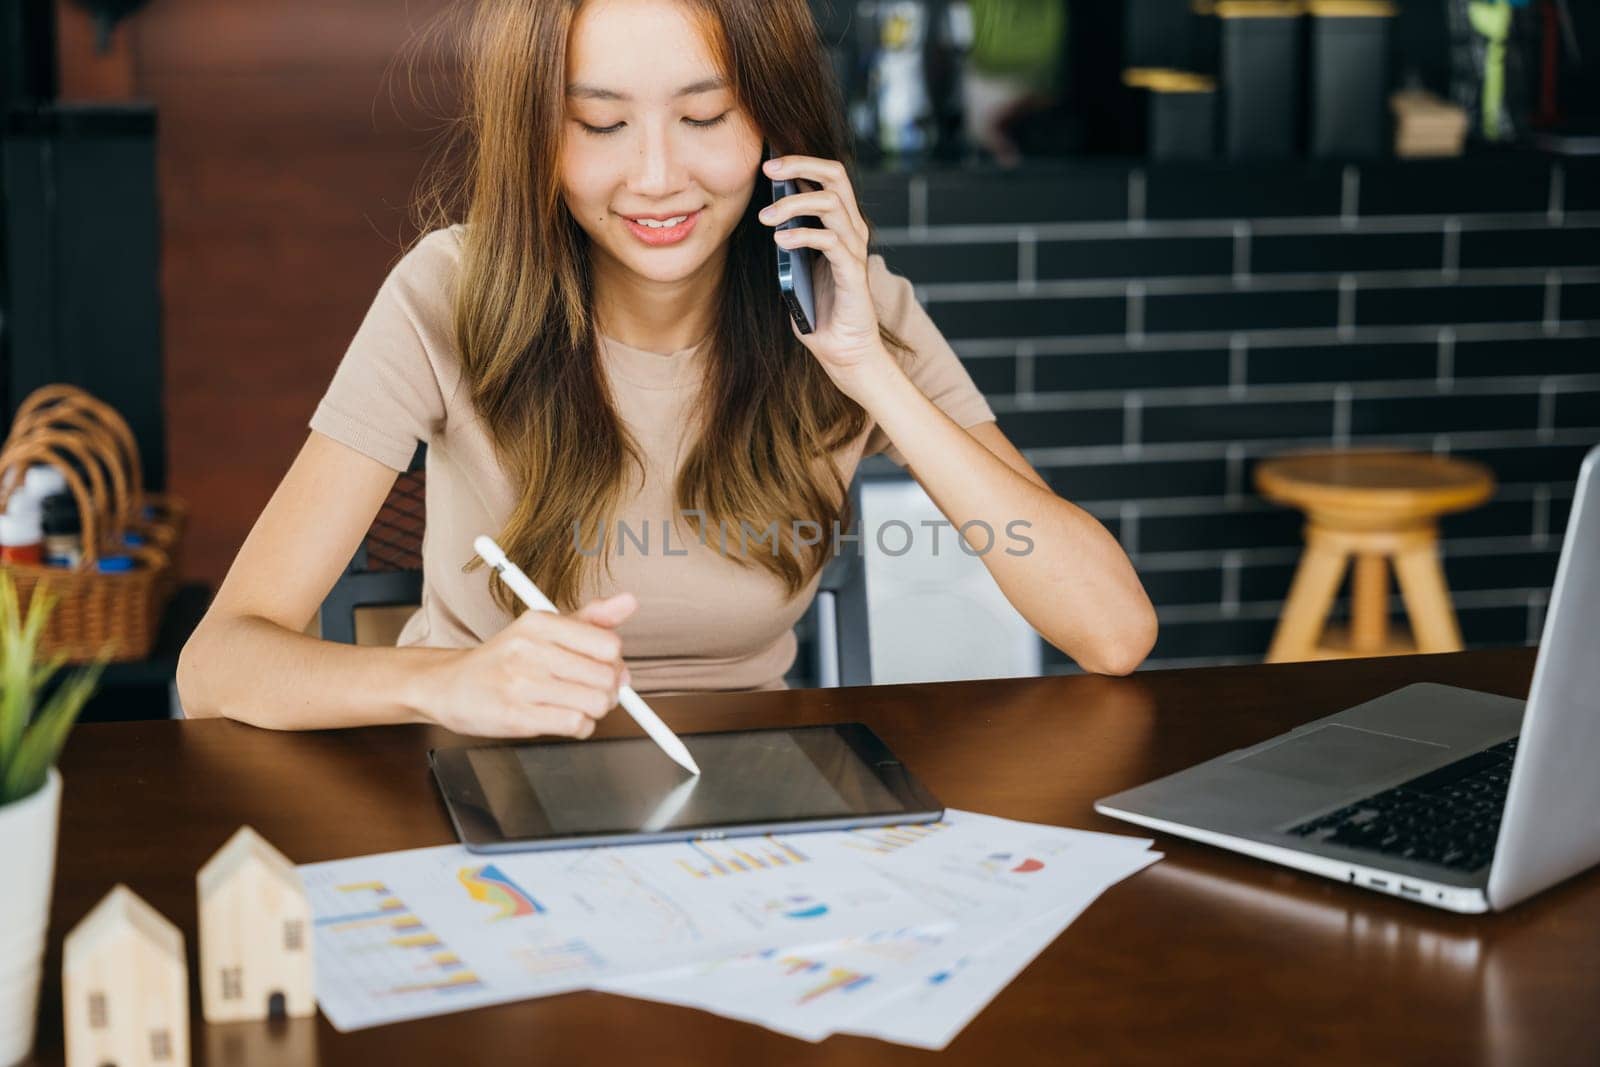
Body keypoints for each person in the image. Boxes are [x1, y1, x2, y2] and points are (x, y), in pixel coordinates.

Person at [176, 0, 1156, 737]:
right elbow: (216, 664)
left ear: (775, 127)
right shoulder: (448, 292)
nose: (655, 175)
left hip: (743, 801)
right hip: (478, 788)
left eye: (706, 115)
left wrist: (871, 371)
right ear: (535, 136)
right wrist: (440, 681)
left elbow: (1112, 632)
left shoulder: (854, 305)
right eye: (599, 124)